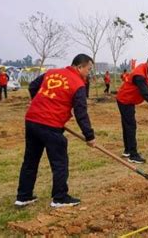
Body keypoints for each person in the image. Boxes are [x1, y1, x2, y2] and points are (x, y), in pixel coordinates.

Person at [15, 54, 96, 208]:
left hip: (32, 120)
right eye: (88, 69)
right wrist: (89, 136)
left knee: (30, 160)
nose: (89, 72)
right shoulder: (78, 84)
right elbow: (81, 113)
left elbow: (33, 86)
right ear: (79, 67)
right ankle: (60, 197)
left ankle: (23, 196)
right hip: (50, 124)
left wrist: (41, 104)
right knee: (59, 162)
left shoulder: (52, 72)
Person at [116, 55, 148, 163]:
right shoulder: (139, 75)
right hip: (125, 100)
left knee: (127, 125)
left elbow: (145, 89)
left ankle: (127, 150)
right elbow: (145, 94)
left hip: (126, 99)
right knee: (131, 126)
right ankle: (133, 155)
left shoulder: (145, 70)